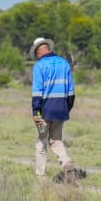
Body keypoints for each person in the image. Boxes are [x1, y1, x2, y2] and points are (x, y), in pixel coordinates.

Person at [30, 37, 75, 178]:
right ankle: (66, 163)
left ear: (38, 52)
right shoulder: (65, 63)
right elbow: (71, 93)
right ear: (48, 47)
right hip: (60, 110)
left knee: (41, 142)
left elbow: (37, 93)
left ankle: (41, 176)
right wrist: (66, 109)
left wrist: (35, 113)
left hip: (43, 113)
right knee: (56, 140)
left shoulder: (39, 66)